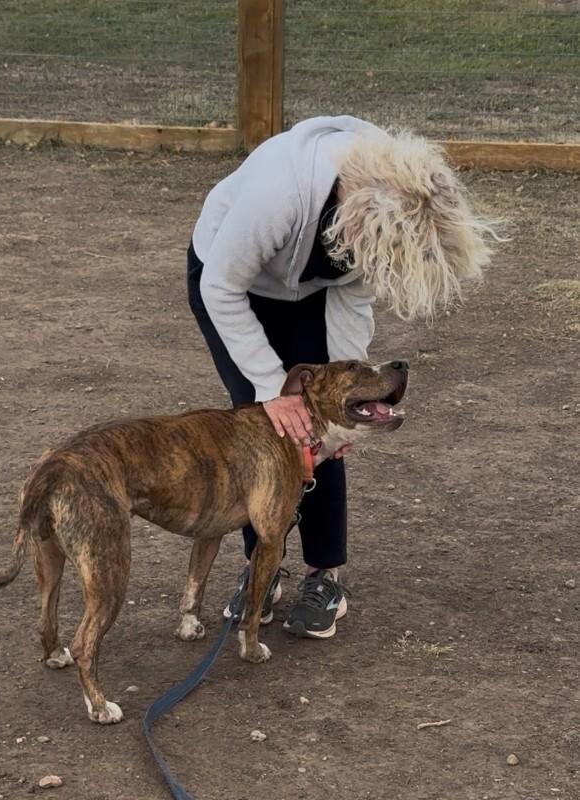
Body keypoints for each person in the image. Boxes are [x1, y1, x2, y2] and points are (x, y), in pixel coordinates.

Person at [187, 115, 497, 639]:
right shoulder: (278, 195)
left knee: (320, 434)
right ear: (358, 214)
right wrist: (271, 389)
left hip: (313, 296)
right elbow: (221, 287)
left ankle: (325, 574)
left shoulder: (389, 210)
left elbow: (352, 296)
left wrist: (347, 403)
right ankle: (262, 571)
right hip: (230, 285)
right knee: (266, 433)